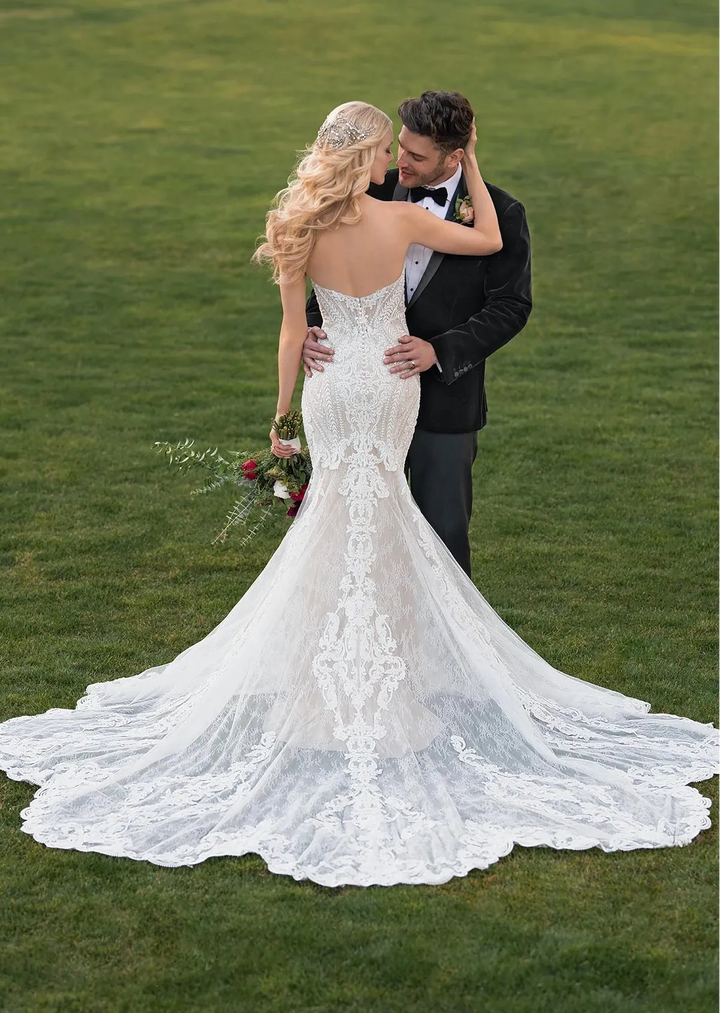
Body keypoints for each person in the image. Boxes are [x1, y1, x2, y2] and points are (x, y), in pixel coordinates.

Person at [0, 102, 717, 888]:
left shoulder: (298, 224)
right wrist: (471, 160)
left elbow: (289, 333)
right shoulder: (401, 219)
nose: (394, 161)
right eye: (387, 150)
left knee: (335, 526)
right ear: (369, 154)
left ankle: (324, 692)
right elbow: (487, 241)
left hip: (331, 387)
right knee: (381, 525)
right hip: (386, 385)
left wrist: (281, 422)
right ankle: (387, 697)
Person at [302, 91, 532, 576]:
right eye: (399, 147)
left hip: (445, 403)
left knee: (442, 535)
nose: (399, 161)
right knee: (357, 532)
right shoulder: (371, 187)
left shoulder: (503, 212)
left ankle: (446, 652)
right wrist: (313, 329)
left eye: (416, 155)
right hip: (361, 397)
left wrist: (440, 351)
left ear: (455, 156)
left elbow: (511, 306)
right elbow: (331, 276)